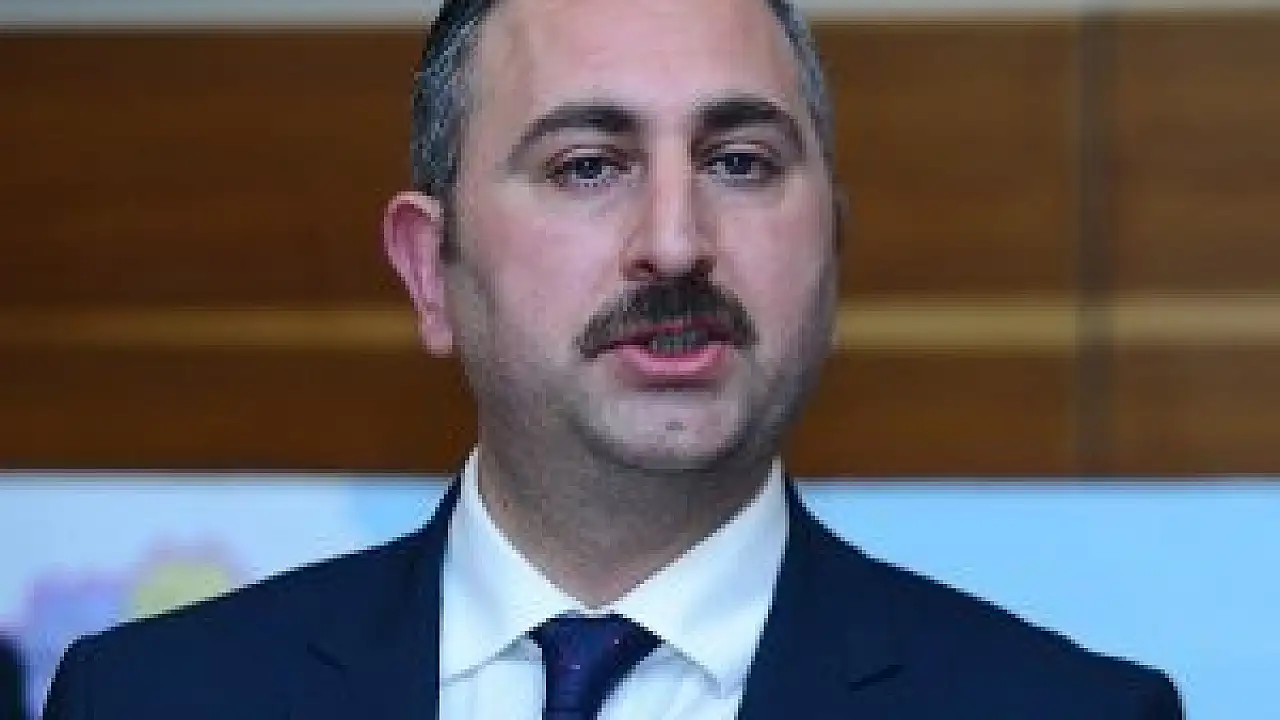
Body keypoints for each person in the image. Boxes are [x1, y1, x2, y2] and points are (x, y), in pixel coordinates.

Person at [44, 0, 1184, 717]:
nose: (676, 242)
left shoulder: (1068, 712)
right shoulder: (151, 699)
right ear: (430, 270)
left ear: (830, 248)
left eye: (739, 162)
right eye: (587, 165)